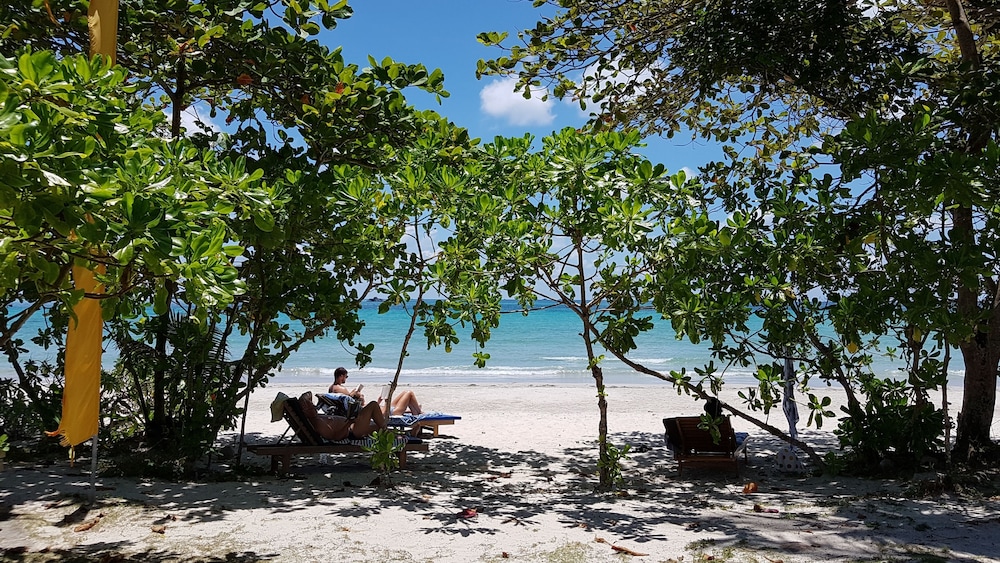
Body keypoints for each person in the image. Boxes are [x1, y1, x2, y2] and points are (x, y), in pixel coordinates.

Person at [328, 367, 423, 416]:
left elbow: (350, 398)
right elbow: (382, 414)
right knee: (409, 393)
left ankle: (415, 411)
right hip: (391, 412)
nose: (346, 378)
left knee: (405, 393)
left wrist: (379, 401)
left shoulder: (332, 388)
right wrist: (386, 402)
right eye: (346, 376)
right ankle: (419, 413)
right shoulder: (341, 389)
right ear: (341, 376)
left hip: (386, 409)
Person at [298, 391, 385, 441]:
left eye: (313, 405)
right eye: (311, 407)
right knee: (373, 405)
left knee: (378, 427)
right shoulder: (318, 424)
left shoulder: (315, 418)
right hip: (352, 431)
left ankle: (387, 433)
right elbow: (336, 437)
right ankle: (386, 431)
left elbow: (308, 394)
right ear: (305, 412)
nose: (314, 407)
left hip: (353, 426)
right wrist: (349, 422)